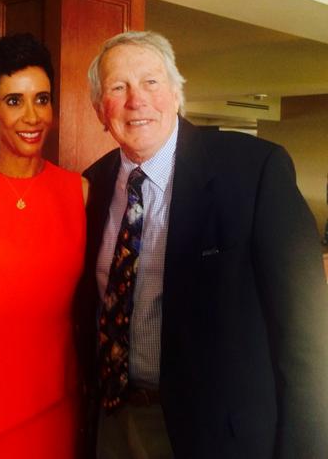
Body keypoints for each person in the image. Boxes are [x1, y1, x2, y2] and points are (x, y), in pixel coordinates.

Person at [79, 30, 328, 459]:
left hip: (217, 435)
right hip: (114, 423)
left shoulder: (253, 170)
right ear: (101, 110)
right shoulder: (93, 184)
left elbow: (305, 335)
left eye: (151, 82)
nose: (136, 99)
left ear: (176, 93)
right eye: (118, 87)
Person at [0, 33, 88, 459]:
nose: (32, 116)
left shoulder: (77, 192)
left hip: (55, 406)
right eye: (14, 101)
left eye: (42, 99)